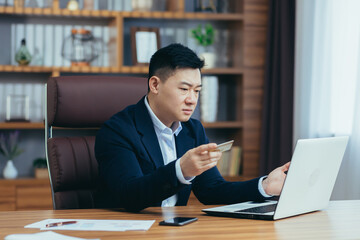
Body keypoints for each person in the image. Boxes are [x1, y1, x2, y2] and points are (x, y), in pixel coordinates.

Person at [94, 43, 290, 212]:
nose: (192, 100)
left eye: (197, 91)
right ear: (155, 85)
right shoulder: (118, 130)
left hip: (174, 229)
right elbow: (129, 195)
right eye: (184, 89)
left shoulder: (193, 129)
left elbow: (212, 189)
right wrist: (180, 170)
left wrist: (265, 186)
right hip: (127, 229)